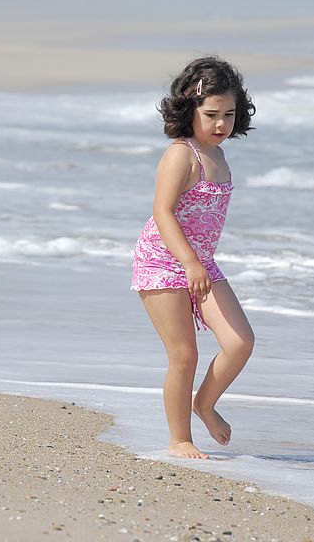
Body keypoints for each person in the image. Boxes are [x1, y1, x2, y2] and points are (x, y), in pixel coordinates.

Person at [131, 56, 257, 459]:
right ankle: (179, 439)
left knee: (240, 342)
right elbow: (162, 212)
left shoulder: (219, 154)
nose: (221, 124)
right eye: (211, 114)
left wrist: (197, 263)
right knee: (184, 355)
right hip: (163, 262)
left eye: (230, 115)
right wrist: (189, 263)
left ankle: (204, 403)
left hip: (201, 263)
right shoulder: (181, 154)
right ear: (190, 111)